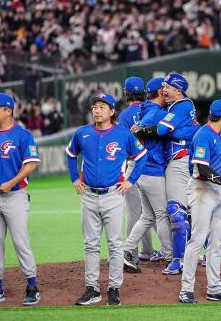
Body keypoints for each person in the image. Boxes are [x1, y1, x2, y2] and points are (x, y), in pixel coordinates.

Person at [66, 93, 147, 306]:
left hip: (113, 195)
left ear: (112, 111)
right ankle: (92, 289)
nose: (97, 110)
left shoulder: (123, 134)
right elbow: (70, 154)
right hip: (89, 195)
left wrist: (130, 181)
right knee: (90, 244)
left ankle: (114, 288)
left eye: (102, 106)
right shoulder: (82, 133)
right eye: (95, 106)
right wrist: (75, 178)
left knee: (114, 244)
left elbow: (141, 156)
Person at [0, 93, 41, 306]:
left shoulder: (23, 135)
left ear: (9, 110)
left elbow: (31, 164)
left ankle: (32, 286)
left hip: (14, 197)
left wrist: (12, 182)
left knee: (21, 242)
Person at [178, 99, 221, 304]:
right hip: (202, 191)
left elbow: (218, 163)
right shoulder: (203, 135)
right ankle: (186, 290)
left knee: (217, 243)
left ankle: (215, 288)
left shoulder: (218, 135)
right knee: (198, 239)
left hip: (218, 191)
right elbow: (203, 169)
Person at [123, 78, 173, 272]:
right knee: (162, 215)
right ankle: (170, 257)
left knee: (147, 217)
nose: (167, 93)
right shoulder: (157, 113)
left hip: (139, 168)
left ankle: (126, 250)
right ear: (160, 93)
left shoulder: (144, 111)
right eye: (165, 90)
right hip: (152, 169)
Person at [157, 73, 200, 275]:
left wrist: (178, 132)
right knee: (188, 210)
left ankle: (179, 259)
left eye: (167, 86)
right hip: (180, 160)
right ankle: (205, 246)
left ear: (178, 90)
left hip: (179, 160)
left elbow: (162, 129)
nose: (163, 89)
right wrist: (185, 131)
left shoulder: (182, 105)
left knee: (176, 210)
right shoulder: (178, 107)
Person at [117, 77, 156, 263]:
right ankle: (151, 251)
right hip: (155, 166)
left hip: (134, 166)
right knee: (154, 213)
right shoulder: (153, 110)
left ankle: (130, 253)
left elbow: (123, 147)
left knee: (134, 213)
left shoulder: (124, 116)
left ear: (126, 93)